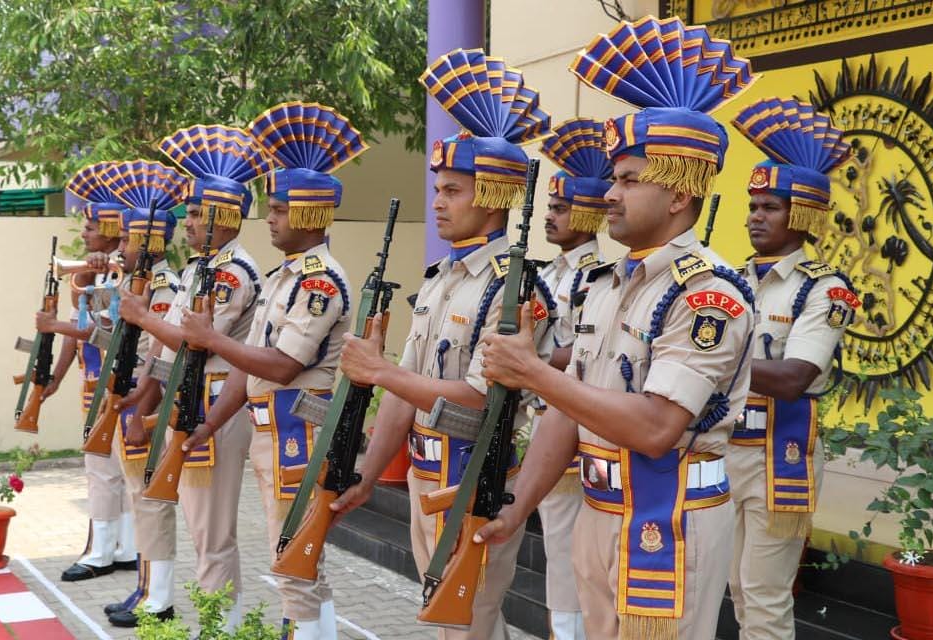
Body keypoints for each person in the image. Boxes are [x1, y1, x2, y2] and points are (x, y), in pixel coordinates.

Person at [471, 17, 758, 640]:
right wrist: (517, 510)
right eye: (613, 179)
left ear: (678, 194)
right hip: (599, 509)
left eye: (629, 180)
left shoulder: (707, 294)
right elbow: (567, 410)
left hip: (669, 515)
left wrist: (532, 372)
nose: (609, 194)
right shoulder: (605, 283)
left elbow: (656, 428)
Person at [328, 49, 552, 640]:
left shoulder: (514, 287)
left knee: (470, 621)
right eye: (438, 189)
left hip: (476, 474)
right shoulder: (440, 277)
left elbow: (481, 396)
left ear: (493, 196)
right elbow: (404, 389)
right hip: (427, 473)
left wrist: (378, 372)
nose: (438, 202)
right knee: (451, 621)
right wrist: (369, 474)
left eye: (453, 190)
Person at [179, 101, 366, 640]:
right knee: (297, 558)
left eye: (280, 209)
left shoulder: (318, 281)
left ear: (309, 214)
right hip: (273, 428)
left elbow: (283, 366)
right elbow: (248, 363)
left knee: (294, 558)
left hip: (296, 429)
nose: (270, 219)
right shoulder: (287, 276)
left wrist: (212, 339)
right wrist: (210, 425)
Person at [116, 124, 271, 629]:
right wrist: (145, 399)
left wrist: (142, 316)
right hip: (189, 401)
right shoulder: (202, 268)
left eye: (199, 213)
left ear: (224, 216)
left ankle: (221, 626)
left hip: (216, 406)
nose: (188, 222)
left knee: (211, 530)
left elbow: (196, 341)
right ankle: (208, 619)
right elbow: (172, 348)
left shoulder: (232, 272)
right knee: (192, 518)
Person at [726, 98, 855, 640]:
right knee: (734, 586)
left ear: (801, 215)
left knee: (764, 593)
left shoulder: (825, 288)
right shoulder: (730, 278)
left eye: (770, 207)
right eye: (753, 206)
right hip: (724, 446)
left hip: (780, 455)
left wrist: (710, 362)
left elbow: (795, 377)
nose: (755, 216)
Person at [85, 159, 187, 626]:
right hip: (129, 399)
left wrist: (141, 410)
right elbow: (114, 339)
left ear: (147, 244)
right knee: (138, 499)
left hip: (145, 404)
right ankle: (145, 587)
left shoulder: (164, 287)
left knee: (151, 502)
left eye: (127, 239)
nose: (119, 246)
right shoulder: (133, 283)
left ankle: (159, 597)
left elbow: (161, 359)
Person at [533, 117, 613, 639]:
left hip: (576, 426)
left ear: (585, 212)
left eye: (560, 208)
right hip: (544, 418)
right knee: (557, 548)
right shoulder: (549, 272)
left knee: (570, 555)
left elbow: (583, 352)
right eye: (550, 206)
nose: (550, 215)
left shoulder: (596, 278)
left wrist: (531, 363)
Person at [44, 162, 138, 582]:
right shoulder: (94, 272)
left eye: (89, 227)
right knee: (105, 468)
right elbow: (78, 329)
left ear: (112, 230)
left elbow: (95, 329)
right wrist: (57, 377)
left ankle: (114, 550)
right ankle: (114, 547)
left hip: (121, 385)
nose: (82, 234)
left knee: (117, 469)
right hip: (94, 384)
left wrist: (55, 325)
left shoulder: (126, 274)